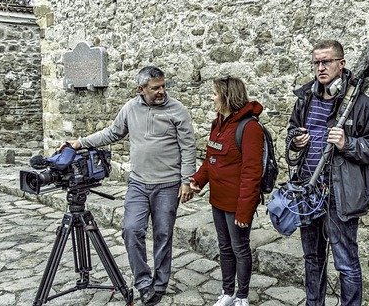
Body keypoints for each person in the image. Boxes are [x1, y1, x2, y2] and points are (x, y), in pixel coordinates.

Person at [65, 66, 196, 305]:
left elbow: (189, 148)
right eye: (155, 88)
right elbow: (112, 133)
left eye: (163, 86)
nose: (161, 91)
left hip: (167, 184)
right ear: (141, 89)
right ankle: (143, 282)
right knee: (131, 229)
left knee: (163, 235)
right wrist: (80, 142)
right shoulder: (130, 108)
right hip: (138, 184)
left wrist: (187, 181)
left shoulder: (177, 110)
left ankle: (160, 283)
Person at [286, 40, 369, 305]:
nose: (320, 68)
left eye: (327, 62)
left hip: (338, 195)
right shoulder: (305, 99)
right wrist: (296, 140)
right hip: (308, 191)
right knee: (312, 259)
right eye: (316, 62)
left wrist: (348, 143)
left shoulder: (361, 104)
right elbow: (292, 130)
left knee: (346, 263)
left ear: (341, 64)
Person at [189, 76, 264, 306]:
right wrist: (198, 181)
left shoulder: (249, 127)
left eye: (215, 94)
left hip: (237, 203)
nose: (211, 98)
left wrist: (244, 211)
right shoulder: (218, 124)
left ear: (227, 97)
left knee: (240, 248)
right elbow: (210, 158)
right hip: (218, 200)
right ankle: (228, 292)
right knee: (224, 247)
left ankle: (242, 296)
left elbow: (252, 173)